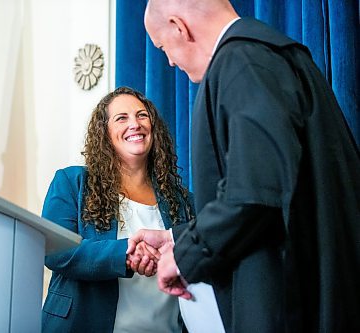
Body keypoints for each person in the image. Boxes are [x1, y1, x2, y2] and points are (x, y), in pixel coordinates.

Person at [127, 0, 360, 332]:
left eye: (164, 47)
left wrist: (187, 255)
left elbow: (255, 192)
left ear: (180, 27)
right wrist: (177, 239)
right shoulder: (265, 57)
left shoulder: (243, 62)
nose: (169, 60)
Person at [41, 86, 195, 332]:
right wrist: (127, 253)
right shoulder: (71, 182)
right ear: (104, 132)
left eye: (142, 115)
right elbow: (56, 250)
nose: (135, 124)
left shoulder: (182, 200)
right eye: (121, 118)